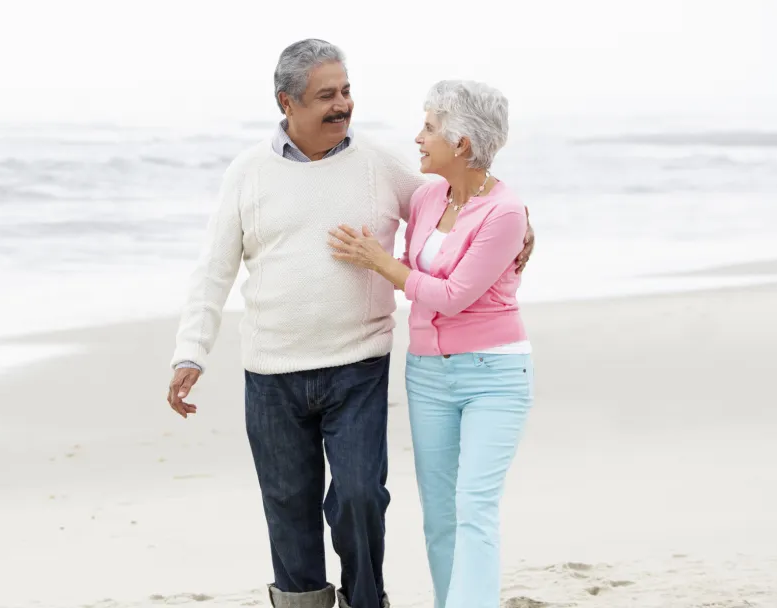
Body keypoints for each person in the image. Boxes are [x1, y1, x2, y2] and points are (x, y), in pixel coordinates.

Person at [166, 39, 534, 608]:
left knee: (361, 497)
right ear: (287, 102)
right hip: (272, 371)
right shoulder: (248, 173)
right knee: (288, 506)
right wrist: (190, 353)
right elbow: (213, 271)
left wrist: (524, 223)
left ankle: (368, 600)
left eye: (346, 91)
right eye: (326, 96)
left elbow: (462, 201)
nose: (343, 105)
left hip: (357, 366)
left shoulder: (381, 166)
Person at [327, 79, 534, 608]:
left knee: (474, 506)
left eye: (429, 128)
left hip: (494, 376)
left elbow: (452, 296)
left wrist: (382, 263)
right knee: (441, 514)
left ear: (461, 143)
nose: (418, 138)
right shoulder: (425, 197)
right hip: (428, 374)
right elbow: (363, 183)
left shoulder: (505, 213)